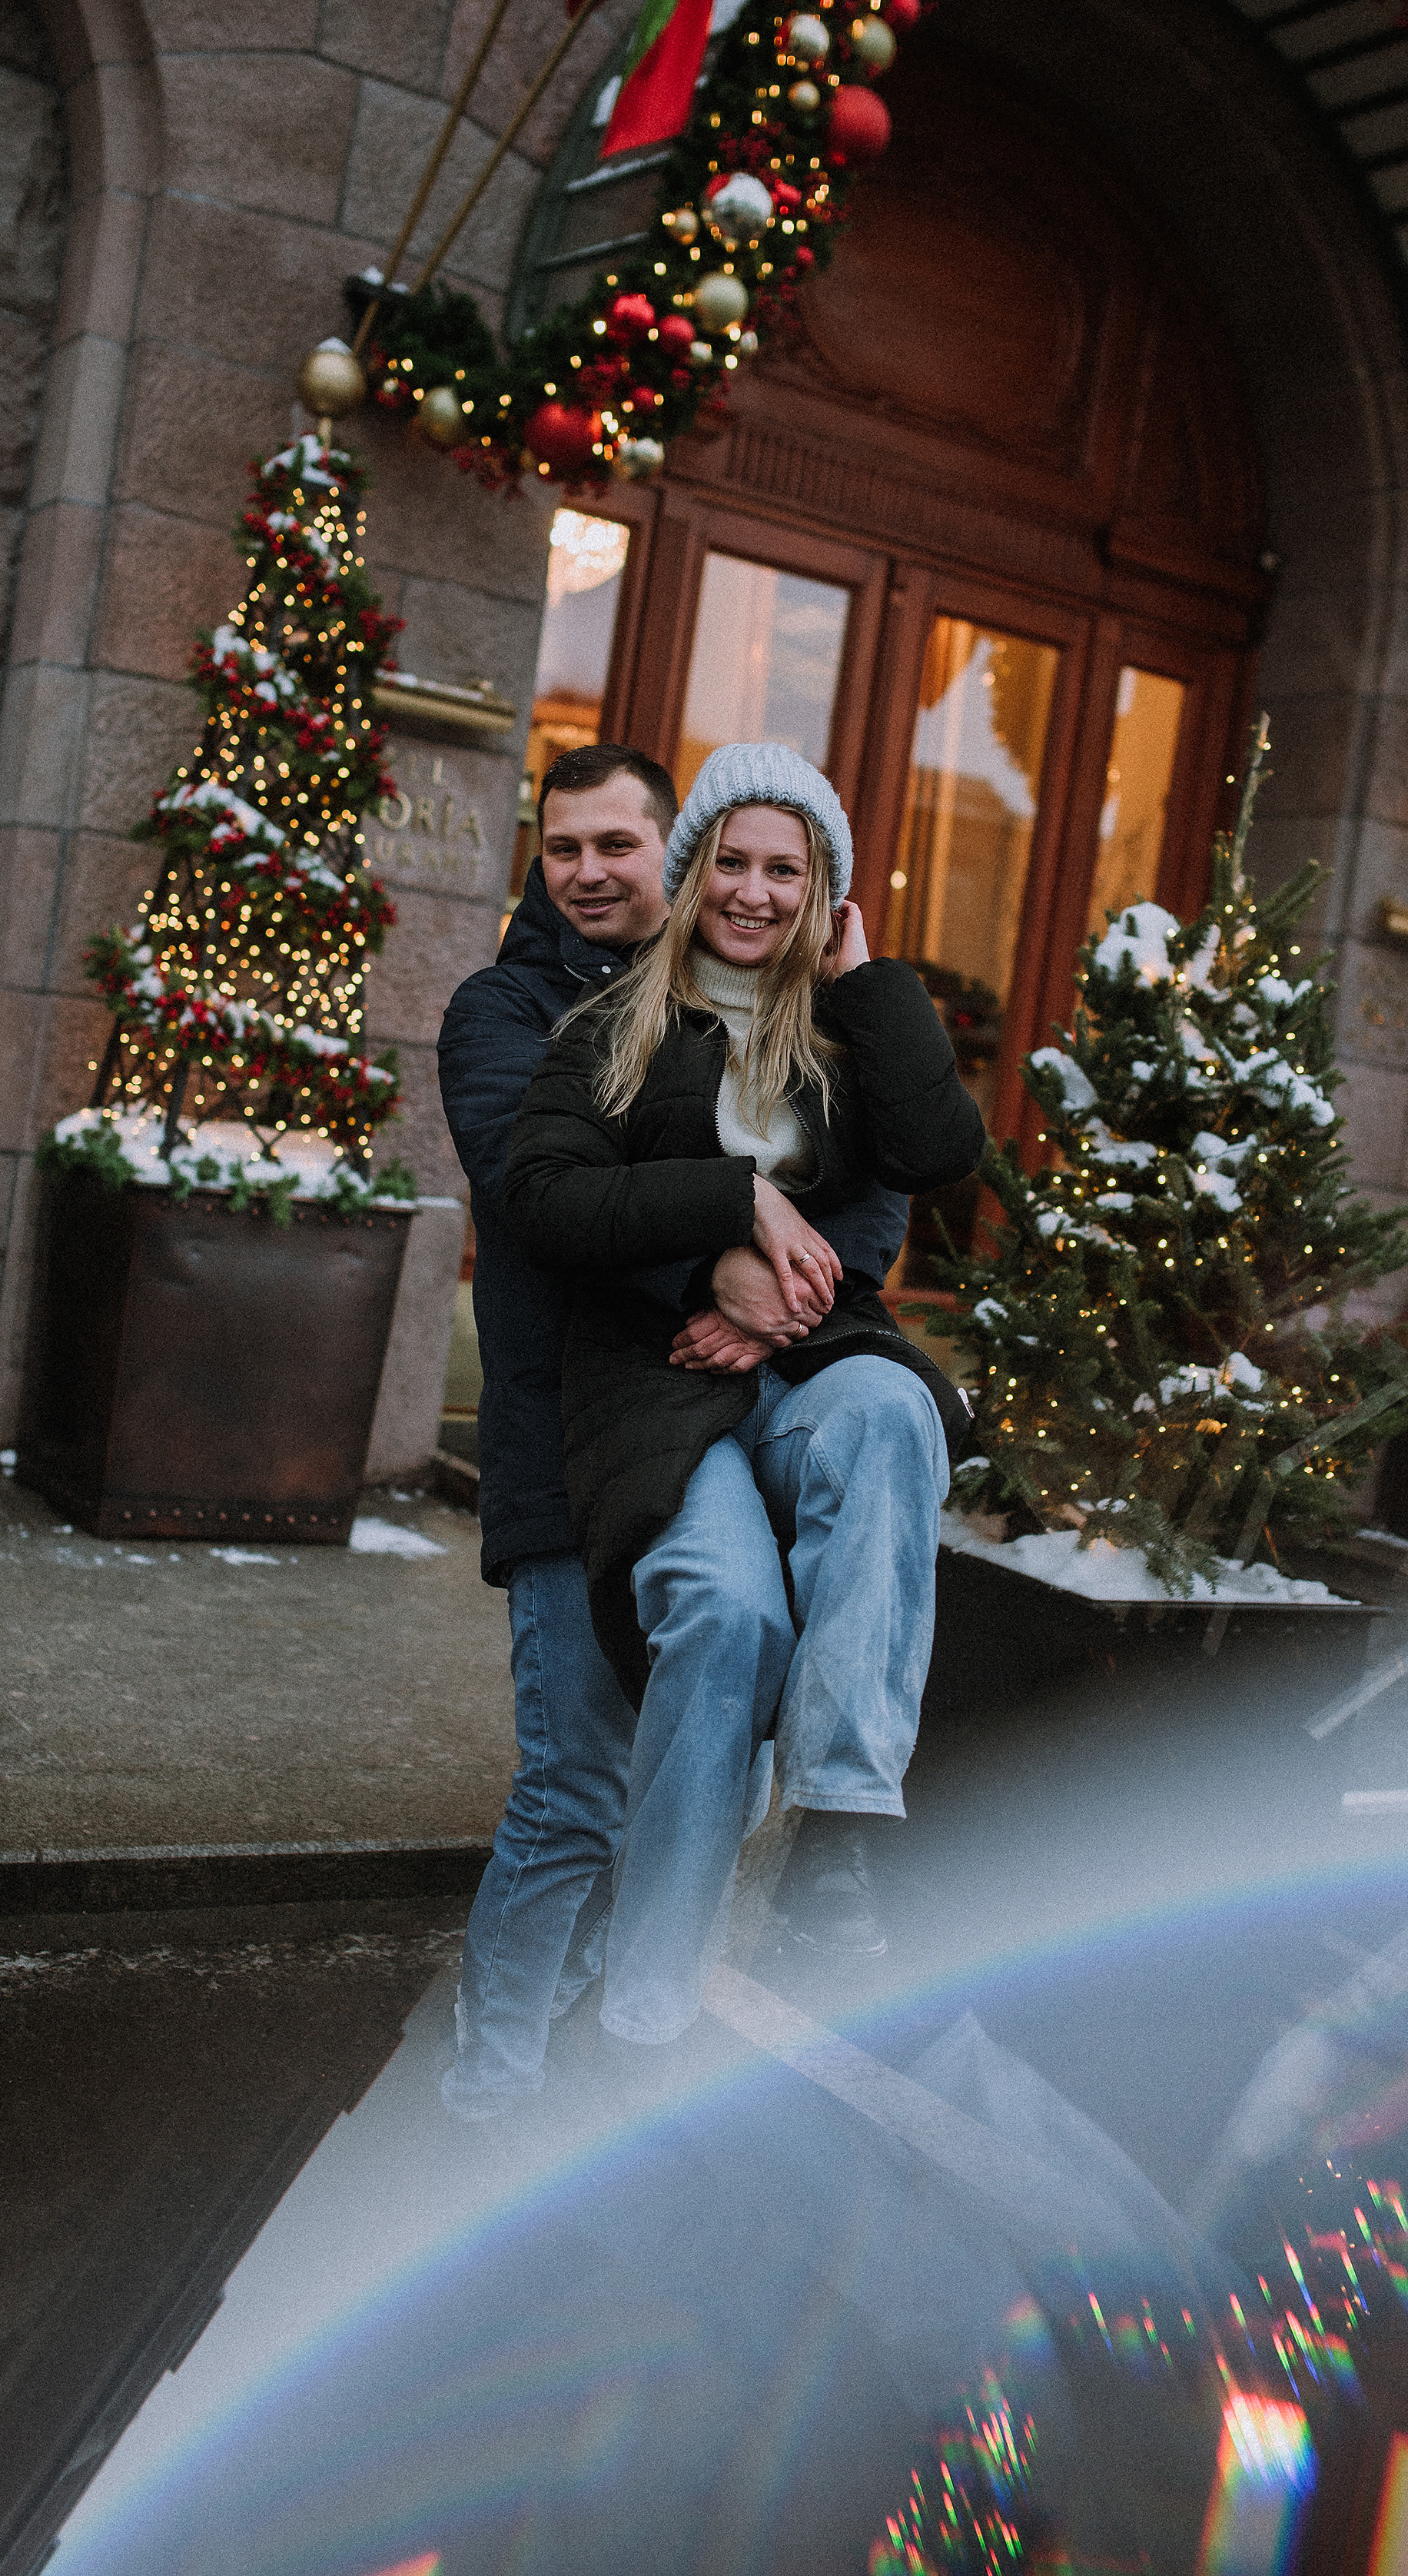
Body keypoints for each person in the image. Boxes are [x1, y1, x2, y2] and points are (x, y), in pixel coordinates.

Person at [435, 744, 908, 2119]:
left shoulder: (768, 1005)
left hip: (729, 1426)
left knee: (698, 1768)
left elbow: (869, 1192)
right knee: (577, 1783)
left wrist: (776, 1316)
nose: (588, 872)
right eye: (562, 846)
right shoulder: (508, 1012)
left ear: (673, 855)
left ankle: (600, 2053)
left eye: (616, 846)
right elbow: (542, 1205)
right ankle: (490, 2093)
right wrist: (728, 1253)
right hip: (569, 1439)